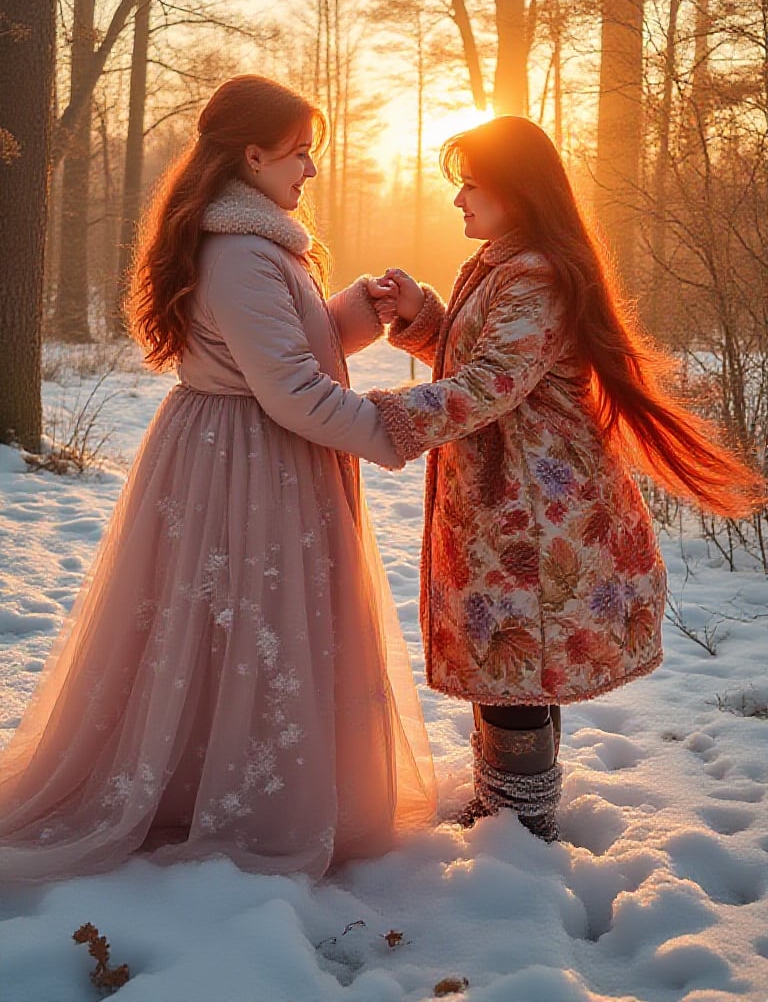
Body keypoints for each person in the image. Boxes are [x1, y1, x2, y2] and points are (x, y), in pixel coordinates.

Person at [0, 74, 435, 883]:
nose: (309, 170)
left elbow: (284, 349)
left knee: (242, 628)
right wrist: (399, 427)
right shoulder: (240, 253)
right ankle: (230, 803)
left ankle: (224, 784)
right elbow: (295, 390)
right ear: (253, 153)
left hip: (253, 450)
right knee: (247, 623)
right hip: (246, 463)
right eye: (301, 154)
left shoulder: (261, 244)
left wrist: (361, 310)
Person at [368, 115, 764, 843]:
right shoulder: (504, 262)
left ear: (517, 191)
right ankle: (506, 812)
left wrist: (376, 418)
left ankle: (519, 827)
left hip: (531, 510)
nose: (458, 199)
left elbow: (491, 382)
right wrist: (424, 316)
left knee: (523, 653)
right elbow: (486, 361)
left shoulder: (536, 272)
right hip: (503, 503)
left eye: (472, 183)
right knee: (510, 659)